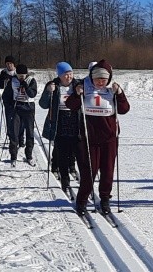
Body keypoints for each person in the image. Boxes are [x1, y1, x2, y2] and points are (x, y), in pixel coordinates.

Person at [65, 59, 130, 216]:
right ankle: (81, 200)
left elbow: (124, 109)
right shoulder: (84, 86)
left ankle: (105, 199)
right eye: (97, 79)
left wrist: (120, 94)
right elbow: (71, 105)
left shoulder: (113, 88)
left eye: (103, 79)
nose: (100, 82)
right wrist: (77, 93)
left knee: (107, 171)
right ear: (92, 78)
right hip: (89, 137)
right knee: (89, 172)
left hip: (109, 137)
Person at [39, 61, 82, 192]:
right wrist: (48, 92)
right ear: (59, 75)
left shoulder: (78, 85)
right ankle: (65, 180)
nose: (69, 77)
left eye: (70, 73)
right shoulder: (54, 86)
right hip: (59, 121)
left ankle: (73, 169)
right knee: (61, 152)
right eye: (65, 74)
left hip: (75, 121)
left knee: (75, 150)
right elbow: (43, 104)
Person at [4, 64, 38, 164]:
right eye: (19, 75)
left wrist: (26, 86)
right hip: (17, 108)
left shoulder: (31, 80)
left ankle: (29, 156)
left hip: (29, 108)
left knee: (30, 133)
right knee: (14, 133)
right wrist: (10, 106)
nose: (21, 77)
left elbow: (33, 94)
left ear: (26, 74)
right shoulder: (13, 80)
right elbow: (6, 96)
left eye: (23, 75)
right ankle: (13, 156)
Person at [0, 55, 17, 146]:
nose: (9, 65)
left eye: (11, 63)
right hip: (7, 99)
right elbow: (0, 86)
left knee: (18, 119)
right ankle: (10, 138)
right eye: (7, 64)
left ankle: (20, 138)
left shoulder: (17, 72)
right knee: (8, 119)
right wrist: (3, 79)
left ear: (14, 64)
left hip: (17, 99)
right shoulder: (3, 72)